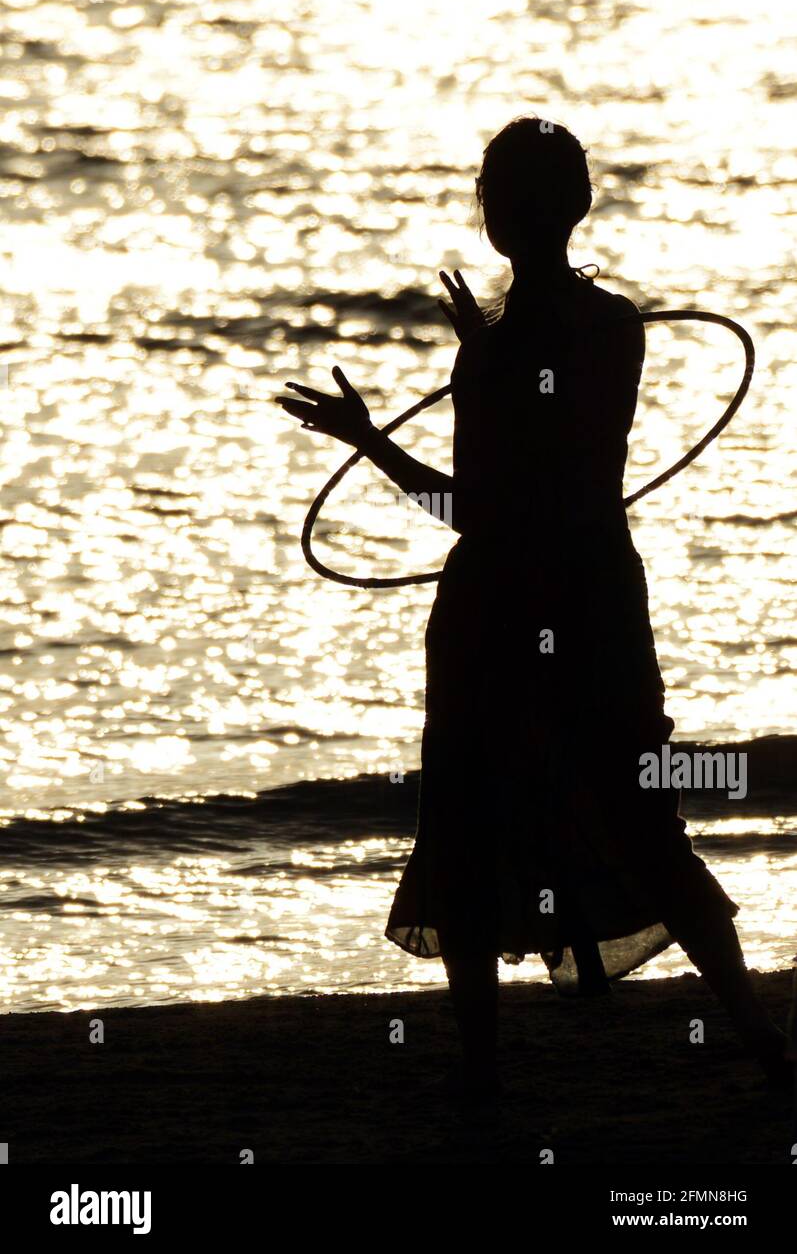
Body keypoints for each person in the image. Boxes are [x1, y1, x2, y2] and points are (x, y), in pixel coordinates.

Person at [276, 116, 789, 1103]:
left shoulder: (497, 354)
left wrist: (369, 437)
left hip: (499, 608)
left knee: (467, 827)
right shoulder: (619, 326)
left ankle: (479, 1074)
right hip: (596, 592)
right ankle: (759, 1032)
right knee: (645, 819)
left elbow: (467, 510)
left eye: (493, 191)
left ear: (497, 215)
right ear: (578, 205)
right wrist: (490, 362)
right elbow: (571, 470)